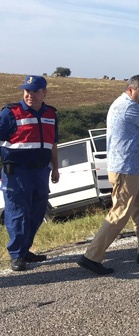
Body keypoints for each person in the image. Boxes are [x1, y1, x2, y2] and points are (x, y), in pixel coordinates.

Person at [77, 74, 139, 275]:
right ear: (131, 89)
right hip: (127, 170)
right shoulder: (130, 107)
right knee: (120, 213)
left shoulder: (130, 105)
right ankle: (91, 256)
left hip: (136, 169)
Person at [0, 75, 60, 272]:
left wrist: (56, 168)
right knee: (18, 214)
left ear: (44, 93)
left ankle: (25, 250)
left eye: (35, 91)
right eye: (27, 91)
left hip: (41, 172)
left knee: (36, 213)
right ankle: (17, 255)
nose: (30, 95)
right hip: (16, 173)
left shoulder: (51, 114)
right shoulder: (10, 113)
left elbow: (53, 143)